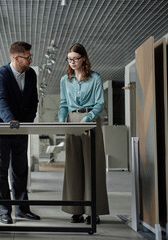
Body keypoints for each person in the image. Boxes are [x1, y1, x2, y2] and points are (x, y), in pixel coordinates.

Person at [58, 43, 109, 224]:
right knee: (73, 166)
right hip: (72, 122)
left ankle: (92, 211)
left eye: (75, 58)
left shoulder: (95, 78)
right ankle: (76, 210)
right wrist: (61, 119)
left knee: (92, 166)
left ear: (84, 58)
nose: (72, 62)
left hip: (90, 121)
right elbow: (64, 104)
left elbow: (99, 104)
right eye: (69, 58)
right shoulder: (65, 80)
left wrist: (87, 119)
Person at [0, 41, 40, 224]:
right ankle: (4, 210)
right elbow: (0, 99)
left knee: (20, 170)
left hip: (21, 128)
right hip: (1, 127)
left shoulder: (31, 74)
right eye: (27, 57)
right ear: (16, 58)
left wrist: (27, 122)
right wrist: (10, 120)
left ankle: (21, 209)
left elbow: (33, 100)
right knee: (0, 171)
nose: (31, 60)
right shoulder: (0, 74)